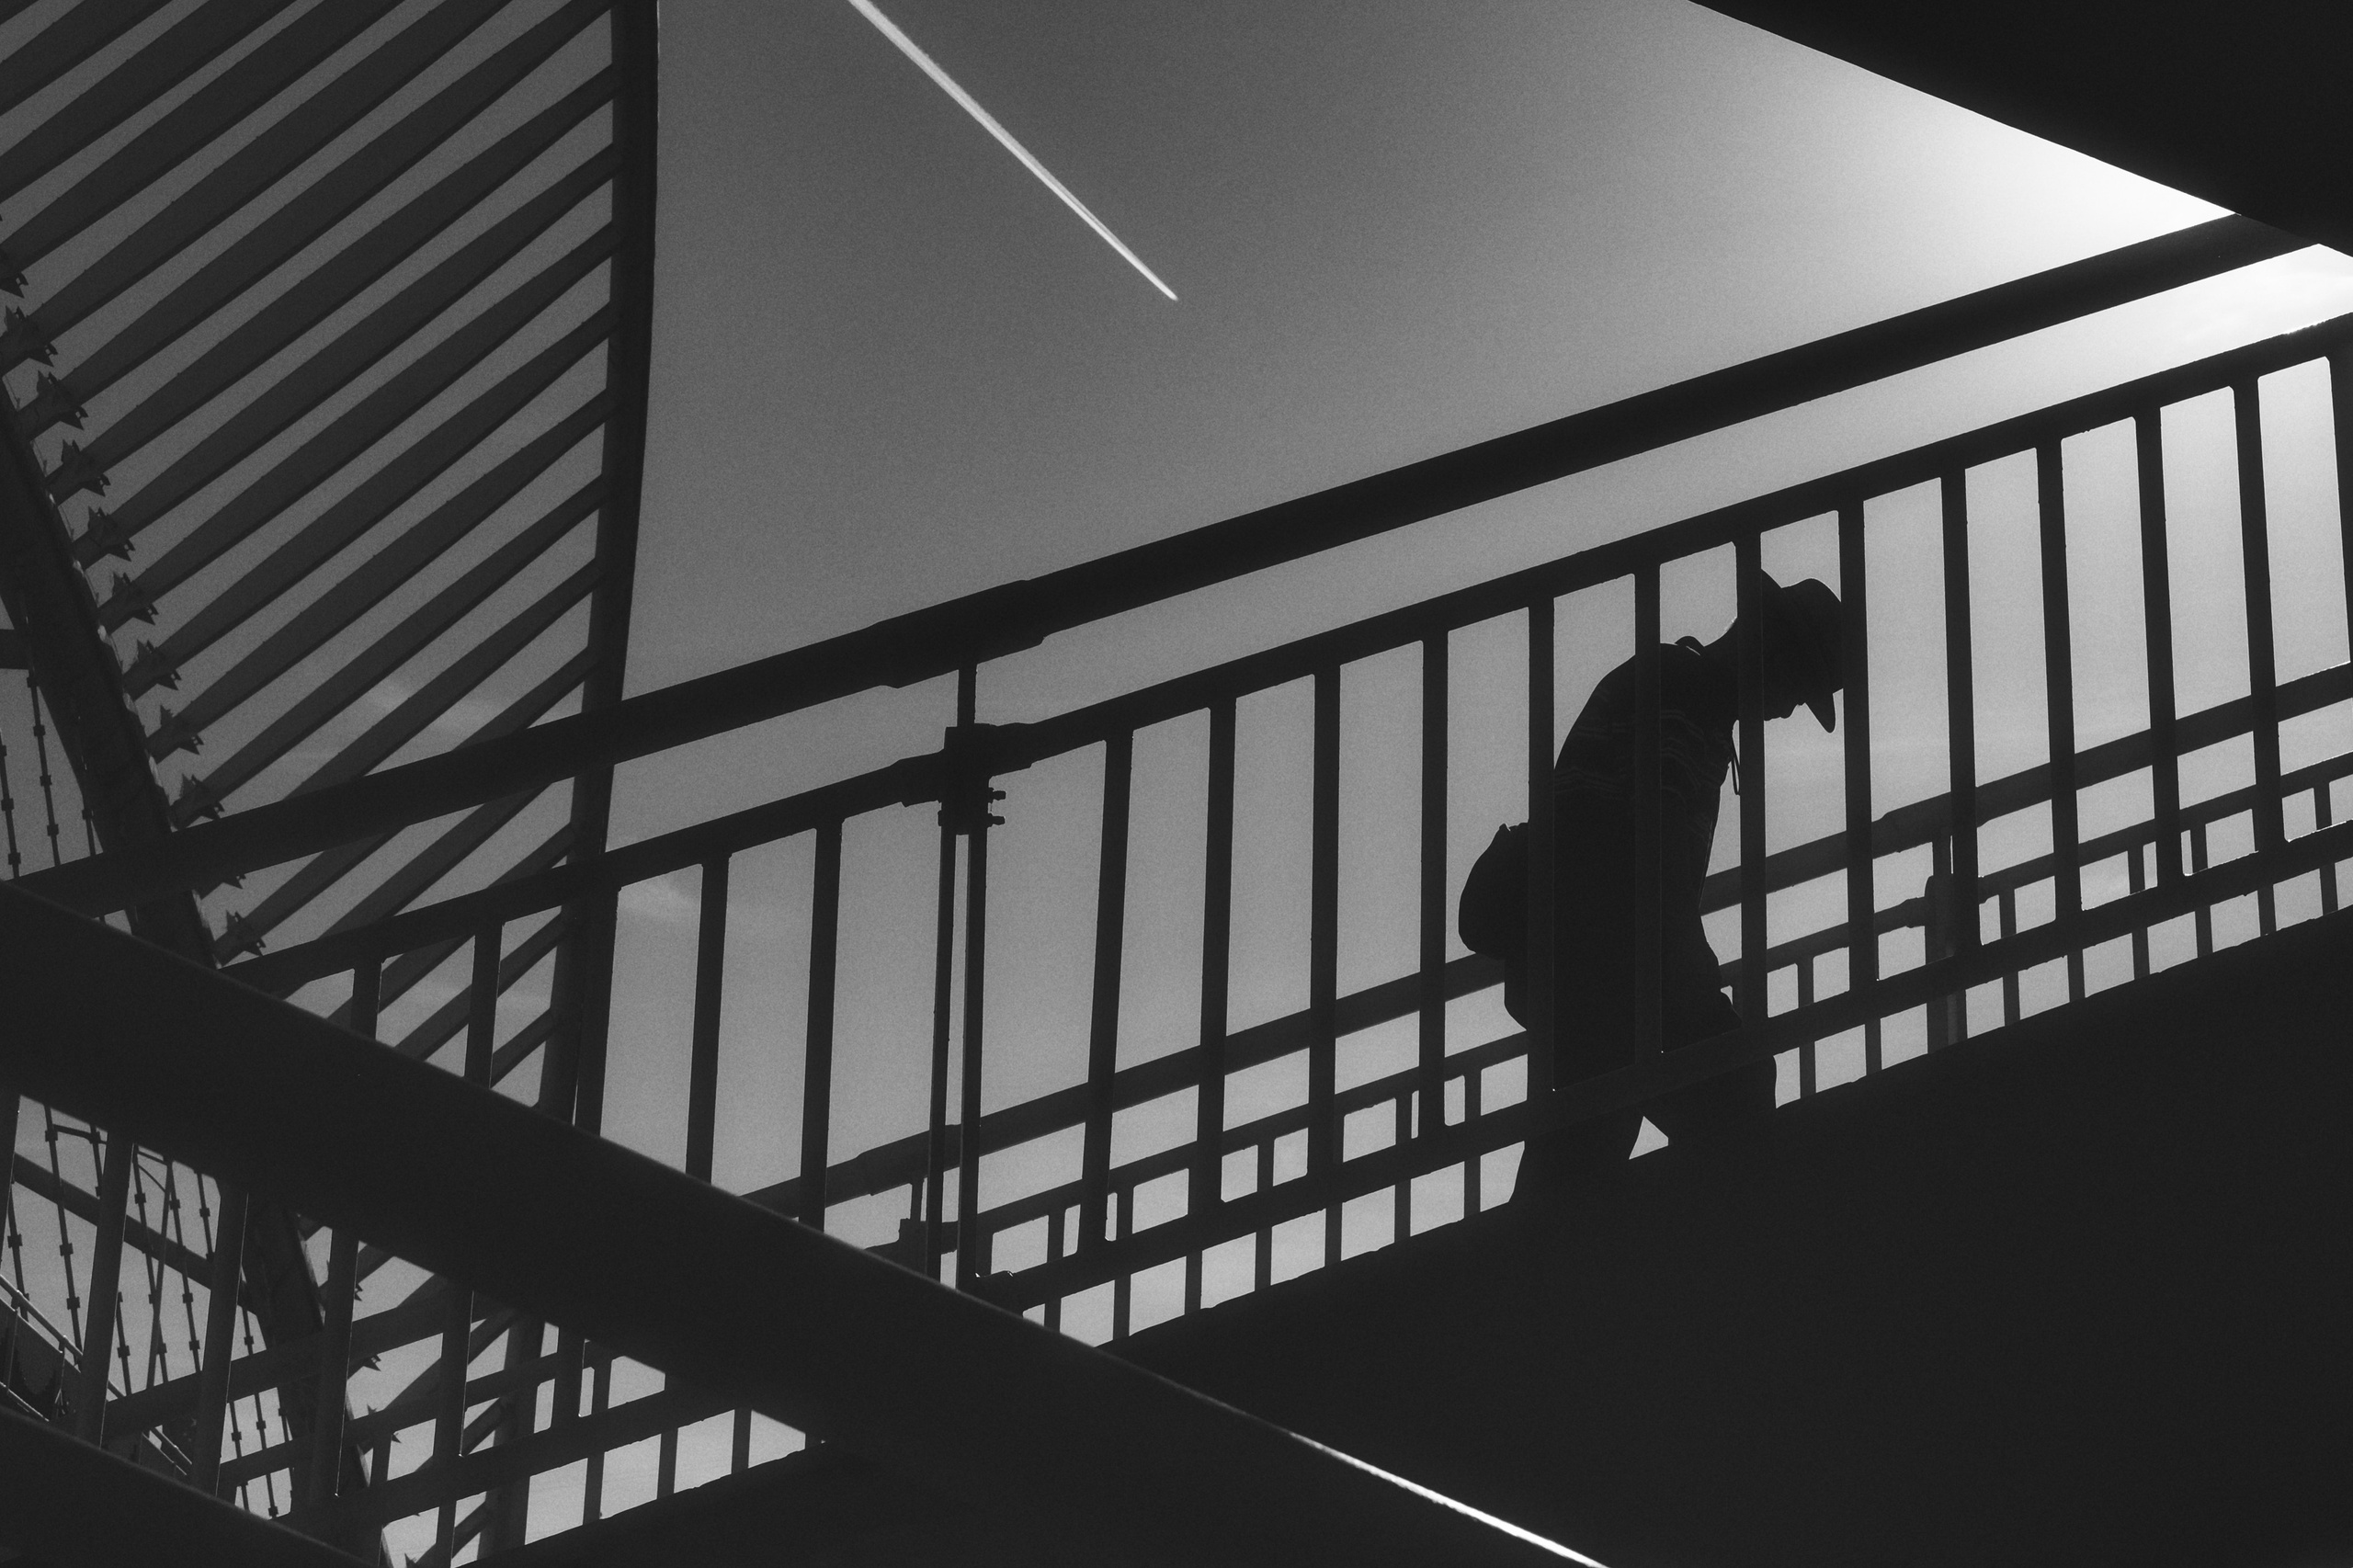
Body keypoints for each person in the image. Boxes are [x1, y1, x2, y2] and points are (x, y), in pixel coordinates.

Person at [1506, 574, 1844, 1198]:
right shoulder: (1686, 703)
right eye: (1797, 688)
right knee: (1730, 1089)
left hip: (1586, 954)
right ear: (1772, 651)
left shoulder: (1678, 688)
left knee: (1585, 1140)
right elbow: (1650, 852)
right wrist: (1690, 970)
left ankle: (1527, 1280)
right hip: (1609, 959)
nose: (1787, 707)